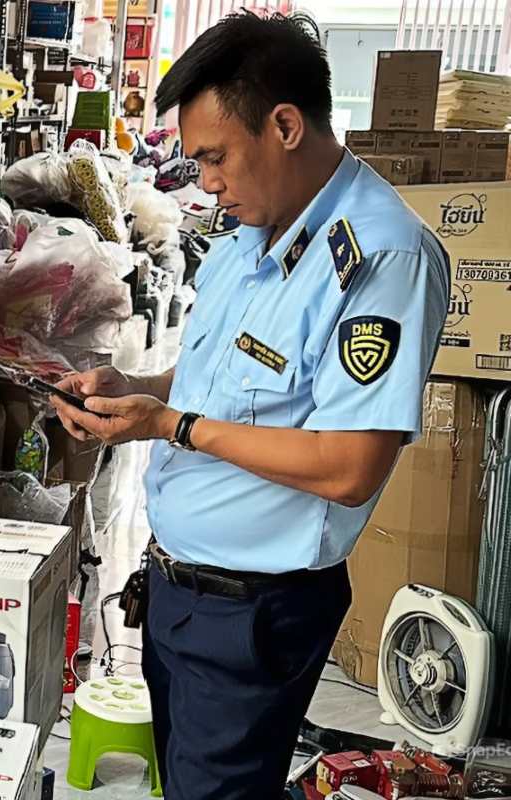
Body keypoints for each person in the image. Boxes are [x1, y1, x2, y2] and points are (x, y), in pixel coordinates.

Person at [52, 11, 449, 800]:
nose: (205, 181)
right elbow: (225, 391)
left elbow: (349, 466)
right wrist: (141, 394)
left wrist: (172, 426)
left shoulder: (379, 258)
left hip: (252, 616)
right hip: (179, 590)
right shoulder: (249, 237)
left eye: (215, 157)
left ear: (286, 125)